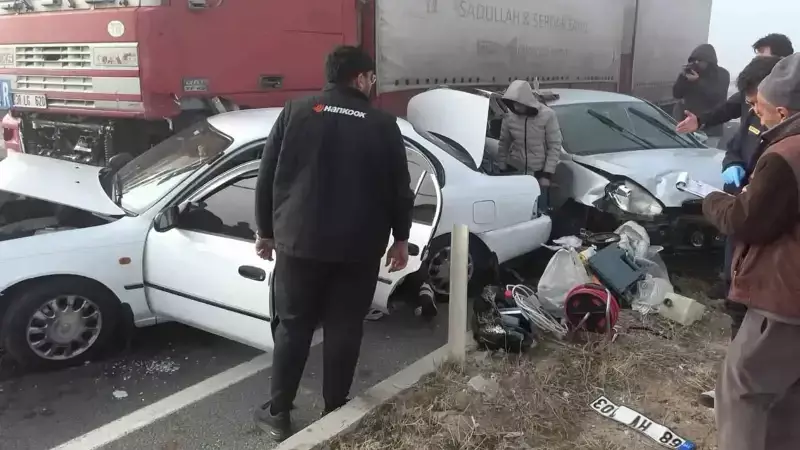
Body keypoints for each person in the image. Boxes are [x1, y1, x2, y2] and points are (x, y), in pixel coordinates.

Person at [252, 45, 414, 441]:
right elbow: (400, 189)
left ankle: (278, 412)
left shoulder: (295, 112)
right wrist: (402, 238)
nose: (372, 84)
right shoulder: (382, 124)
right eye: (371, 77)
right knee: (344, 327)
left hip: (299, 243)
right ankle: (334, 408)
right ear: (360, 78)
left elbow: (267, 177)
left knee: (293, 327)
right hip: (358, 249)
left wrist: (265, 232)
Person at [703, 52, 800, 450]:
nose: (756, 115)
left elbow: (747, 221)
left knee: (742, 391)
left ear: (781, 108)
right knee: (789, 396)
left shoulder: (786, 154)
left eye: (759, 108)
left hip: (783, 298)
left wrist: (712, 200)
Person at [496, 79, 562, 211]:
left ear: (526, 100)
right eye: (513, 104)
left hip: (538, 173)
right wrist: (502, 166)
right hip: (515, 169)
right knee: (517, 208)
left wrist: (546, 175)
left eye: (519, 104)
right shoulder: (509, 117)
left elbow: (554, 145)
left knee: (538, 209)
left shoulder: (547, 115)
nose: (516, 107)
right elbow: (504, 142)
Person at [672, 44, 730, 146]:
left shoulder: (722, 74)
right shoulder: (690, 72)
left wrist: (698, 81)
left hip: (710, 128)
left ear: (709, 61)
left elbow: (717, 96)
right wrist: (682, 78)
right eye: (694, 61)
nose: (696, 64)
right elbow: (676, 94)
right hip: (687, 125)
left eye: (700, 61)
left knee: (706, 158)